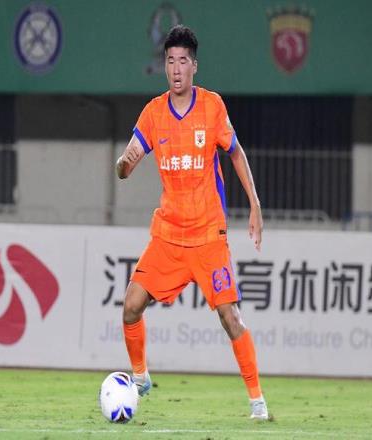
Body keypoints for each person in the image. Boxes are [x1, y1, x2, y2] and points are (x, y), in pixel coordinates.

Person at [116, 24, 268, 420]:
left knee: (230, 317)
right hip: (168, 235)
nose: (176, 68)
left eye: (183, 61)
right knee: (131, 306)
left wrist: (254, 204)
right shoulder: (153, 113)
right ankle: (140, 376)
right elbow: (129, 157)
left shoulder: (212, 107)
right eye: (170, 61)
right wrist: (124, 164)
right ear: (165, 66)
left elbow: (235, 152)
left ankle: (257, 400)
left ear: (194, 66)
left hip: (208, 236)